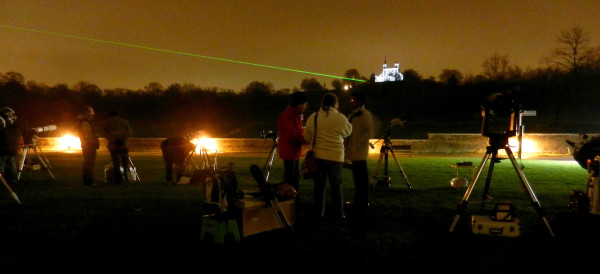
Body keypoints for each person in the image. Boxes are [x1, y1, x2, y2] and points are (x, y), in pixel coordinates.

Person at [303, 92, 352, 223]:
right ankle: (338, 214)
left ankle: (319, 213)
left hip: (318, 156)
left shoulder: (314, 117)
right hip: (336, 157)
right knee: (336, 186)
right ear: (335, 104)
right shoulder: (340, 118)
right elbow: (348, 131)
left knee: (319, 187)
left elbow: (307, 136)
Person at [344, 92, 374, 212]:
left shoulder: (365, 115)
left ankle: (362, 202)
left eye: (354, 100)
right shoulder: (352, 115)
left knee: (361, 179)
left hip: (360, 153)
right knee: (358, 179)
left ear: (360, 101)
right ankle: (358, 201)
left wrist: (358, 144)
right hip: (354, 152)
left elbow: (368, 133)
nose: (351, 102)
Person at [277, 91, 308, 194]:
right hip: (289, 152)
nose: (305, 107)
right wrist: (306, 139)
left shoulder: (295, 115)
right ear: (300, 104)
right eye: (304, 104)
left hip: (293, 152)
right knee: (291, 179)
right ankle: (290, 202)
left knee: (294, 177)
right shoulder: (289, 116)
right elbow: (292, 135)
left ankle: (293, 201)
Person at [103, 110, 133, 185]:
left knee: (116, 162)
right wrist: (123, 139)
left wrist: (112, 140)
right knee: (124, 162)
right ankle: (126, 177)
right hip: (123, 144)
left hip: (113, 145)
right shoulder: (124, 121)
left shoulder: (106, 122)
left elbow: (104, 134)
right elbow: (129, 132)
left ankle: (117, 179)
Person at [77, 106, 100, 186]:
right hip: (89, 145)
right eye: (91, 112)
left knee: (88, 163)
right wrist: (92, 142)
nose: (92, 114)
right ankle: (88, 181)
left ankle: (87, 180)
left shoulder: (85, 122)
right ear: (86, 112)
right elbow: (87, 135)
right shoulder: (85, 122)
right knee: (89, 163)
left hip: (88, 145)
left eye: (92, 112)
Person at [0, 107, 22, 185]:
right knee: (11, 163)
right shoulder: (15, 124)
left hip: (3, 147)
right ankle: (12, 179)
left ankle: (1, 180)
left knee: (1, 163)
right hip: (13, 148)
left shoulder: (3, 123)